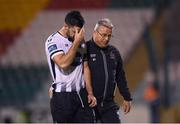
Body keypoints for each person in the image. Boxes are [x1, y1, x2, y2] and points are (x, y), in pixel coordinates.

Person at [45, 10, 97, 123]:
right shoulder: (53, 41)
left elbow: (85, 66)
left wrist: (90, 92)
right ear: (66, 26)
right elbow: (63, 64)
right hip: (62, 98)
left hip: (81, 95)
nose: (77, 35)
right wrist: (76, 43)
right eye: (74, 31)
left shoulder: (80, 41)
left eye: (79, 31)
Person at [86, 18, 132, 123]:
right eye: (104, 35)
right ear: (94, 32)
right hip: (87, 105)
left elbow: (120, 76)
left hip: (108, 106)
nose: (107, 39)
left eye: (109, 36)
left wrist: (127, 97)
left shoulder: (114, 52)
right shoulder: (84, 49)